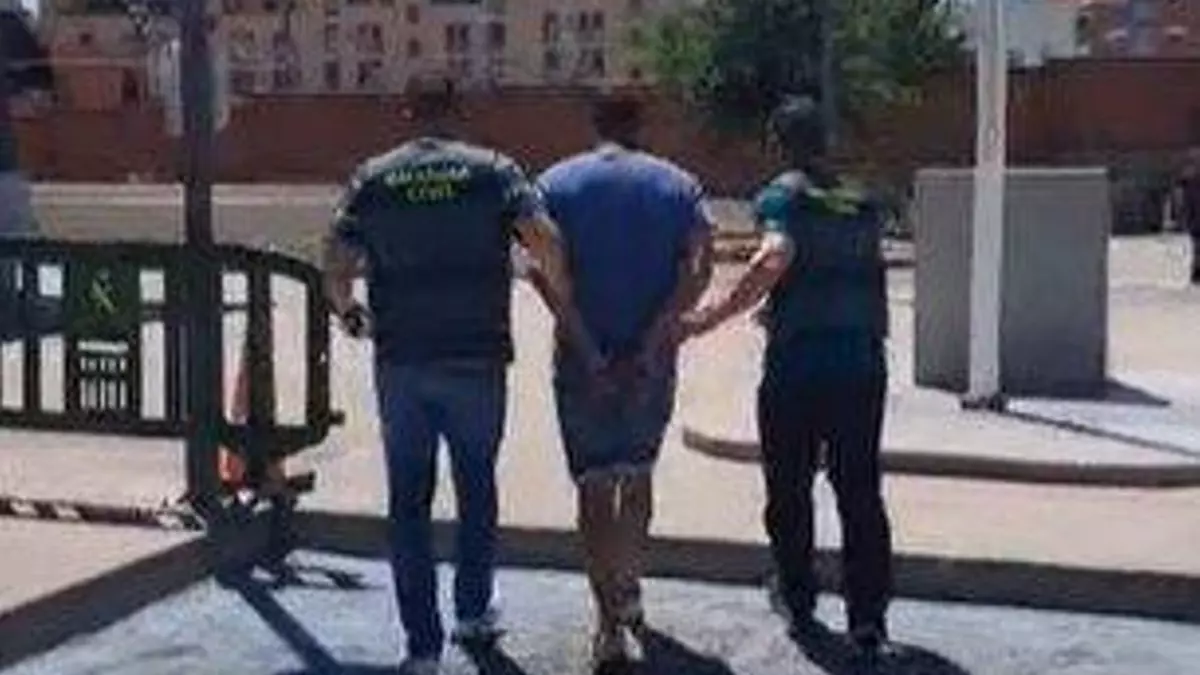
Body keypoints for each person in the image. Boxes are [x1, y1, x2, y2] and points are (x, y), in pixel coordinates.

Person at [322, 78, 594, 675]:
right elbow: (545, 240)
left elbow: (335, 261)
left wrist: (350, 313)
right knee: (476, 485)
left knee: (408, 501)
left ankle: (422, 646)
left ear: (408, 112)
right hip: (476, 356)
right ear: (457, 110)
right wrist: (564, 301)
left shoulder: (374, 178)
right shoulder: (493, 171)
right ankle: (472, 612)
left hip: (402, 361)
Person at [680, 95, 894, 661]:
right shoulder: (861, 199)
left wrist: (712, 316)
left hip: (798, 369)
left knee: (790, 487)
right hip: (862, 364)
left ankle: (798, 599)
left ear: (779, 143)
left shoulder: (782, 196)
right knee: (860, 491)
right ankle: (868, 617)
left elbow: (775, 257)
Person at [534, 96, 714, 667]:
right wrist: (653, 340)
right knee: (636, 478)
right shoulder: (679, 186)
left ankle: (607, 624)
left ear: (595, 125)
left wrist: (590, 351)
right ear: (640, 124)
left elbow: (543, 273)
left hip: (579, 358)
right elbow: (699, 267)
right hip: (650, 363)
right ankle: (630, 590)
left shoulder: (555, 185)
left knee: (593, 487)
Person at [1173, 148, 1200, 285]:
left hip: (1194, 219)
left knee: (1197, 248)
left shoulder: (1187, 182)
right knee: (1197, 248)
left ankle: (1196, 273)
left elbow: (1181, 201)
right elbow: (1182, 201)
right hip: (1195, 220)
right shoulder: (1187, 183)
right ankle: (1196, 273)